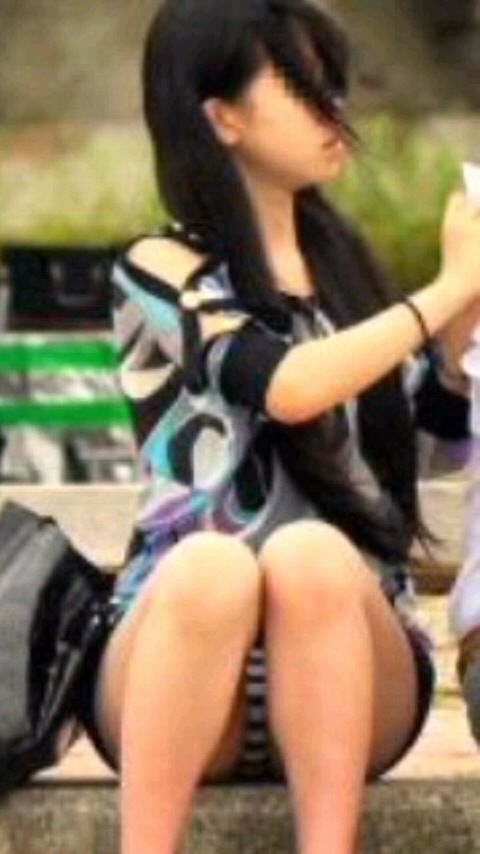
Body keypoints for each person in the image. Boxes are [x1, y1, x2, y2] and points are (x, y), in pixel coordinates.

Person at [75, 2, 480, 852]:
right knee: (213, 567)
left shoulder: (350, 274)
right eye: (302, 87)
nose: (335, 108)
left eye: (333, 83)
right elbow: (284, 386)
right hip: (183, 673)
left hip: (352, 671)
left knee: (311, 558)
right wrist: (441, 291)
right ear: (222, 117)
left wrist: (456, 337)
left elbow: (432, 446)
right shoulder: (159, 268)